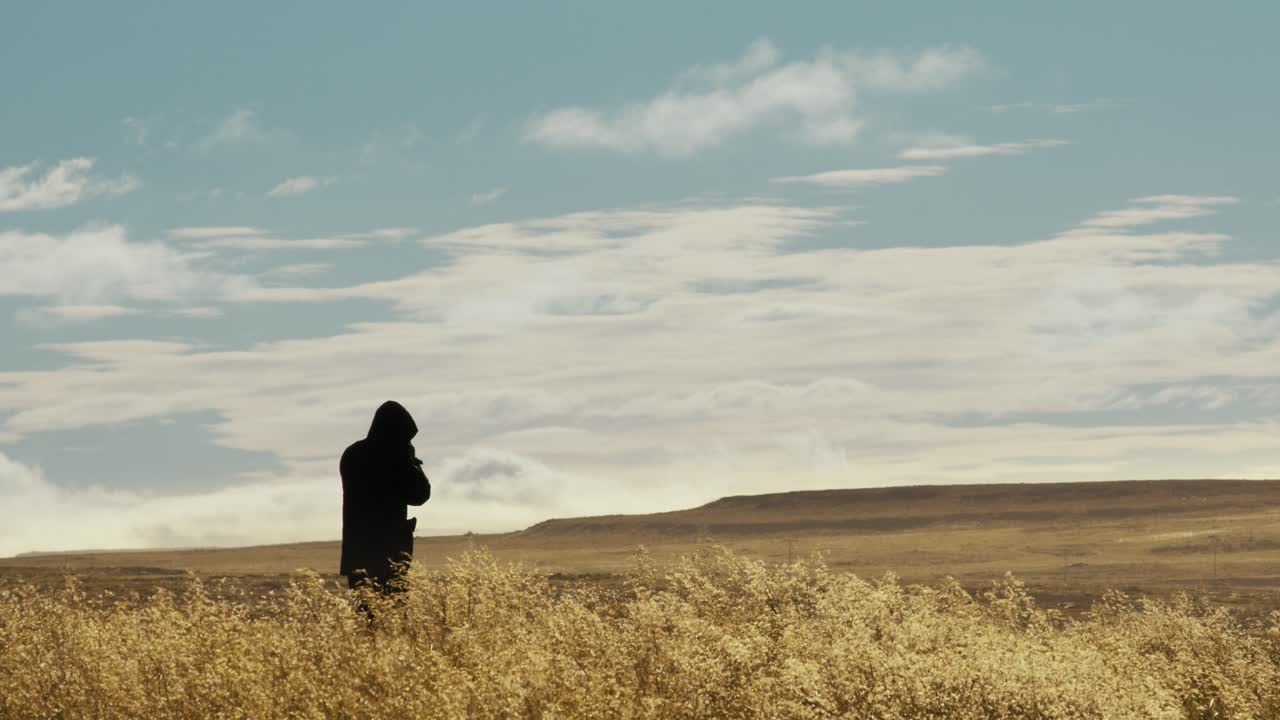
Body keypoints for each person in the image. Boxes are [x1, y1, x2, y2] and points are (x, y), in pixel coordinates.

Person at [339, 400, 431, 597]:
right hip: (390, 553)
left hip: (358, 554)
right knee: (392, 612)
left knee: (366, 613)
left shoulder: (353, 453)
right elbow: (420, 494)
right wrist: (412, 462)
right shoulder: (394, 458)